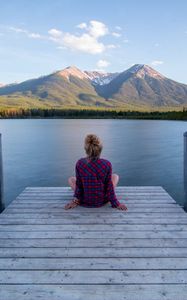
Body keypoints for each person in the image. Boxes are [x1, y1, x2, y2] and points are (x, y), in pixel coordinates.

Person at [64, 134, 128, 211]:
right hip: (102, 200)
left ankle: (78, 199)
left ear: (86, 149)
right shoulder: (107, 164)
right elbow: (109, 186)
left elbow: (79, 185)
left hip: (85, 200)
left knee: (71, 179)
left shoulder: (80, 163)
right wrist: (116, 203)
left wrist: (75, 201)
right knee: (115, 176)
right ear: (100, 149)